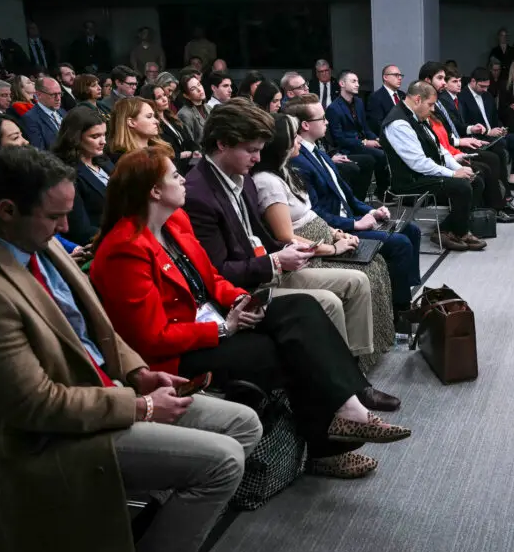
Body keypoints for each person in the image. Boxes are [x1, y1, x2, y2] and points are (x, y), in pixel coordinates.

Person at [0, 145, 262, 552]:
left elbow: (97, 328)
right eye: (55, 216)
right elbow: (36, 407)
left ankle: (140, 517)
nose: (66, 226)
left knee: (243, 423)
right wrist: (139, 406)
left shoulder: (32, 238)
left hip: (103, 393)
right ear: (8, 209)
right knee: (223, 462)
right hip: (45, 439)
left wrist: (137, 371)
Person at [91, 148, 410, 480]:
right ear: (155, 192)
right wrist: (223, 330)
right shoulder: (124, 250)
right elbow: (150, 338)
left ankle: (350, 409)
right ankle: (328, 446)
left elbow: (211, 279)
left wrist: (243, 301)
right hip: (178, 355)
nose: (183, 178)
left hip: (214, 322)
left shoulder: (175, 223)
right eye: (174, 175)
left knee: (302, 307)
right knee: (282, 349)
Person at [182, 100, 398, 407]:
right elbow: (218, 272)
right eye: (251, 150)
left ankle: (354, 373)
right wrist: (275, 260)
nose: (257, 158)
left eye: (260, 149)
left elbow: (259, 236)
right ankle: (345, 389)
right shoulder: (200, 194)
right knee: (329, 302)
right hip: (243, 290)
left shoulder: (237, 176)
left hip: (265, 269)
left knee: (356, 281)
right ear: (221, 144)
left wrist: (286, 249)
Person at [253, 114, 397, 353]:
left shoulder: (287, 171)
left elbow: (310, 214)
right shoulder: (267, 182)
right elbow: (285, 237)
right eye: (294, 137)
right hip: (308, 254)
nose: (299, 141)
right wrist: (332, 247)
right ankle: (355, 353)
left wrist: (337, 233)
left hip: (322, 240)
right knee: (367, 271)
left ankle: (374, 344)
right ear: (281, 144)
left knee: (377, 263)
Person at [288, 109, 424, 320]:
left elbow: (348, 196)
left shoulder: (318, 152)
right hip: (335, 230)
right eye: (322, 119)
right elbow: (315, 213)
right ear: (305, 125)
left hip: (350, 218)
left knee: (412, 230)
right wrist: (354, 223)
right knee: (400, 243)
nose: (327, 122)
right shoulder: (300, 161)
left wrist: (371, 210)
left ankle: (405, 292)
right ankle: (400, 313)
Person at [381, 80, 487, 252]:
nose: (433, 109)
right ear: (417, 100)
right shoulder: (398, 123)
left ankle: (447, 230)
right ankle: (460, 231)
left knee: (476, 180)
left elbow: (440, 149)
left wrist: (457, 169)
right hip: (408, 181)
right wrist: (453, 175)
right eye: (430, 104)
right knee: (462, 186)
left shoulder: (418, 117)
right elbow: (418, 163)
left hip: (424, 174)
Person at [459, 68, 514, 193]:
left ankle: (513, 180)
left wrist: (500, 128)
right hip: (477, 137)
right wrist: (487, 132)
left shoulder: (487, 96)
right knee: (501, 146)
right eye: (482, 86)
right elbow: (464, 124)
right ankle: (502, 186)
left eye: (487, 86)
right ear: (473, 82)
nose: (485, 89)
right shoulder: (462, 97)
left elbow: (495, 117)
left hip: (493, 133)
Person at [53, 107, 114, 245]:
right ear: (75, 138)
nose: (103, 141)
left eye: (104, 135)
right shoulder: (66, 174)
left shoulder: (103, 160)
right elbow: (81, 230)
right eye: (95, 136)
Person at [326, 69, 389, 198]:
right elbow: (339, 138)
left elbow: (365, 127)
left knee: (387, 148)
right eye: (353, 81)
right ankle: (381, 193)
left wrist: (376, 138)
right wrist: (364, 142)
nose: (358, 84)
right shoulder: (333, 108)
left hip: (361, 142)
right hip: (348, 146)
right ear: (342, 84)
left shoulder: (359, 102)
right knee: (379, 156)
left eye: (358, 81)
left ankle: (386, 189)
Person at [141, 82, 200, 173]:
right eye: (158, 98)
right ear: (150, 101)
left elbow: (188, 140)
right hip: (174, 169)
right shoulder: (152, 126)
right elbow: (159, 154)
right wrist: (179, 155)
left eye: (164, 95)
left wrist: (195, 150)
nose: (165, 99)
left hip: (190, 165)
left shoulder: (173, 118)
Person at [107, 97, 168, 162]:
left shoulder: (160, 148)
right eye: (149, 117)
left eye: (154, 116)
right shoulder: (123, 159)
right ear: (131, 122)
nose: (157, 121)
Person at [23, 76, 67, 150]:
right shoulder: (30, 118)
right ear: (39, 95)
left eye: (59, 94)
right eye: (53, 94)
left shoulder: (63, 112)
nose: (58, 98)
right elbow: (40, 151)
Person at [366, 64, 404, 135]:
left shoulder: (403, 95)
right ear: (385, 77)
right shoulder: (376, 97)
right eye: (396, 75)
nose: (400, 78)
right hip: (389, 138)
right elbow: (377, 125)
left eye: (400, 75)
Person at [177, 72, 210, 145]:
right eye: (193, 89)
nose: (199, 89)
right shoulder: (184, 114)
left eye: (199, 84)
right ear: (186, 96)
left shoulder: (208, 107)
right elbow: (191, 144)